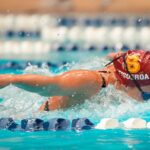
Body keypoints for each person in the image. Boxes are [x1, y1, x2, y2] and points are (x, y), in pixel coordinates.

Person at [0, 50, 149, 111]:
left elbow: (115, 56)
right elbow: (50, 86)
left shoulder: (123, 69)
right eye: (146, 96)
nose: (146, 100)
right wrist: (11, 79)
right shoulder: (91, 81)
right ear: (128, 82)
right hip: (40, 121)